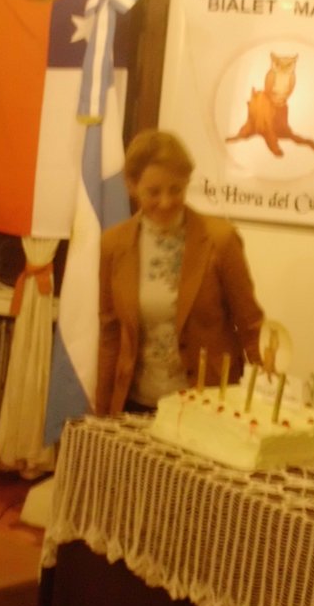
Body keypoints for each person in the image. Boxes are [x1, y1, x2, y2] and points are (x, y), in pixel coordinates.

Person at [95, 130, 265, 416]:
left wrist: (263, 401)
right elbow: (110, 334)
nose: (165, 202)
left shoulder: (220, 240)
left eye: (176, 190)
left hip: (206, 405)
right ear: (132, 186)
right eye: (153, 192)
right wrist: (101, 413)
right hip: (136, 404)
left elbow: (251, 327)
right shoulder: (113, 244)